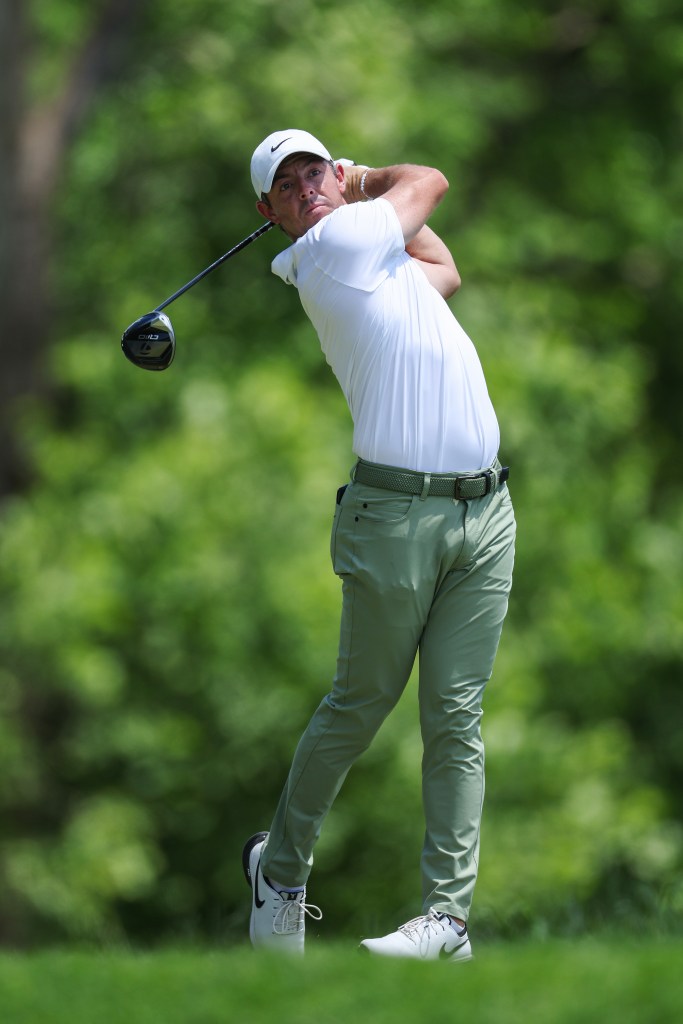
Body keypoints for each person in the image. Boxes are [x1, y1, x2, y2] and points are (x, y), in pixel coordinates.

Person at [241, 129, 516, 961]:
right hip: (392, 519)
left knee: (456, 719)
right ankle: (279, 878)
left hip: (485, 513)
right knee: (358, 707)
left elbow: (443, 269)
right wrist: (362, 178)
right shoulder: (330, 248)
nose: (307, 188)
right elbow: (428, 178)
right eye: (287, 186)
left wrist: (361, 195)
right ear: (272, 215)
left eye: (314, 170)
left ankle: (447, 922)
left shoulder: (372, 256)